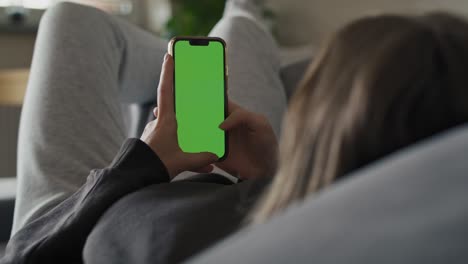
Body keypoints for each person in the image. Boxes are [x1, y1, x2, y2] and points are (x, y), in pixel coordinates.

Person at [3, 1, 468, 264]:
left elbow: (27, 255)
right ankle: (211, 44)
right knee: (238, 31)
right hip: (249, 179)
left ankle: (203, 47)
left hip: (96, 204)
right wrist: (276, 175)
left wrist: (146, 161)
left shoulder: (147, 240)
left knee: (72, 19)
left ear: (327, 123)